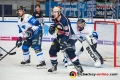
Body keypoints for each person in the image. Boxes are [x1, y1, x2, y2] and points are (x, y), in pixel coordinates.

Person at [48, 6, 83, 75]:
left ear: (59, 13)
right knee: (52, 50)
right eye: (53, 12)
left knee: (69, 51)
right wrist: (52, 27)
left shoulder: (65, 20)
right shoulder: (54, 18)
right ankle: (54, 66)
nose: (54, 13)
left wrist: (64, 42)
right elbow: (56, 24)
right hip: (60, 37)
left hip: (69, 37)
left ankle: (79, 67)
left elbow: (67, 33)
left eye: (55, 12)